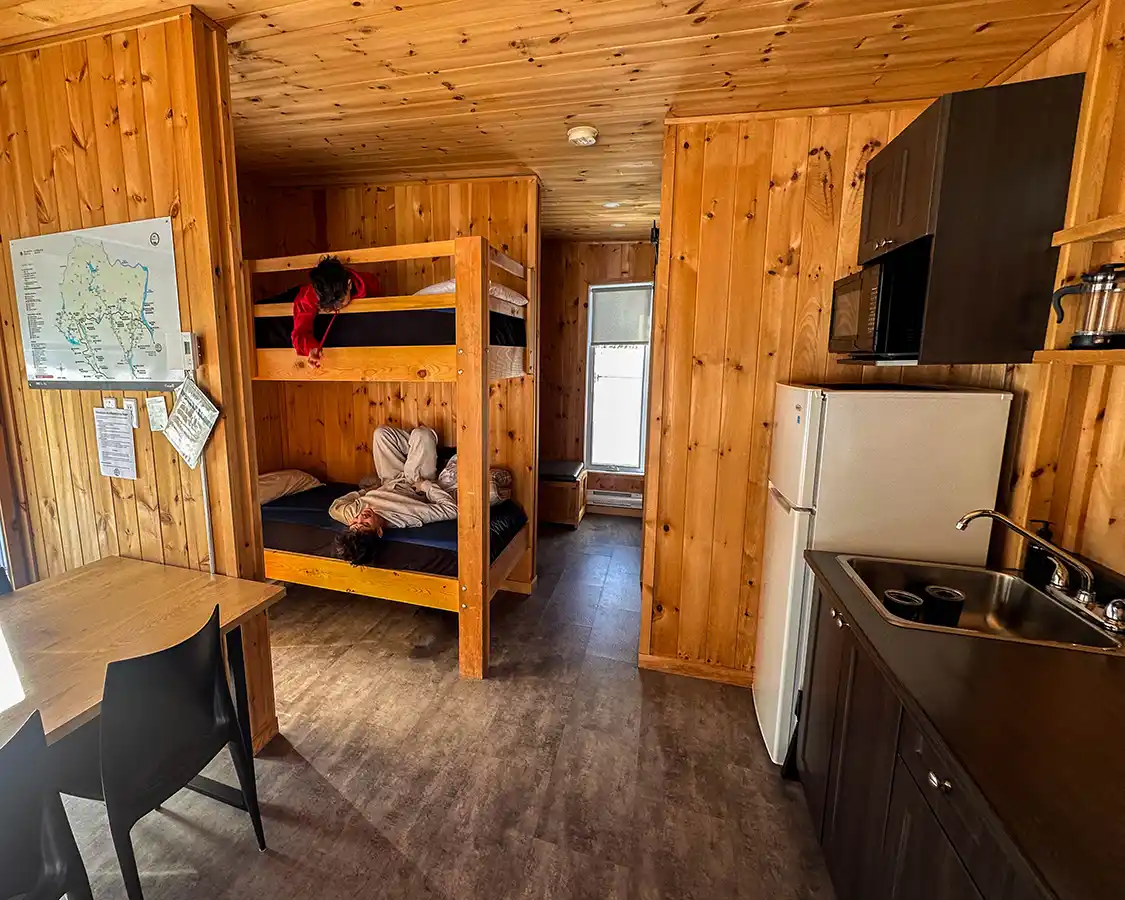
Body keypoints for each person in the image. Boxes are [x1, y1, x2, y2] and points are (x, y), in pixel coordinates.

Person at [332, 425, 511, 565]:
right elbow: (452, 509)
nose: (360, 517)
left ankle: (421, 451)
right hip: (413, 481)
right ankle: (425, 450)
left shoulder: (350, 515)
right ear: (379, 531)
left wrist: (365, 492)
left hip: (389, 479)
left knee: (381, 434)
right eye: (365, 524)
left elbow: (335, 507)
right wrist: (425, 486)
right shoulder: (409, 516)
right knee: (422, 434)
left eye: (355, 523)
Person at [291, 256, 380, 367]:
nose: (337, 308)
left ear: (349, 284)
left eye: (340, 302)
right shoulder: (310, 295)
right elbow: (300, 331)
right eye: (330, 306)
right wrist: (311, 348)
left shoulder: (368, 284)